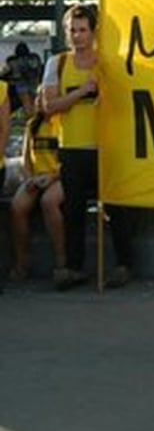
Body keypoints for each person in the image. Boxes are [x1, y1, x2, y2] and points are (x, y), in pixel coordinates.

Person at [42, 3, 135, 291]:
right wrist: (82, 92)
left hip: (106, 147)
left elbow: (124, 104)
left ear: (93, 32)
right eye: (73, 30)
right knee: (74, 211)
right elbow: (49, 107)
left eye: (83, 30)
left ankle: (124, 264)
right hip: (72, 148)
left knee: (117, 208)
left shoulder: (106, 64)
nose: (78, 36)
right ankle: (73, 267)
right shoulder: (56, 64)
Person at [8, 91, 67, 285]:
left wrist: (51, 177)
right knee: (17, 207)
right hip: (36, 177)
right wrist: (30, 179)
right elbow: (25, 160)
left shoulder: (64, 124)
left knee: (49, 202)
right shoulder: (32, 125)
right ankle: (21, 262)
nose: (44, 102)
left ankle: (61, 261)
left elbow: (69, 163)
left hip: (58, 177)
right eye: (40, 98)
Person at [4, 41, 44, 117]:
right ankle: (35, 119)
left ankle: (29, 119)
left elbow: (5, 72)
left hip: (20, 83)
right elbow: (40, 70)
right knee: (35, 102)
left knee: (26, 103)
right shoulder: (34, 58)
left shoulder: (12, 60)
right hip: (34, 82)